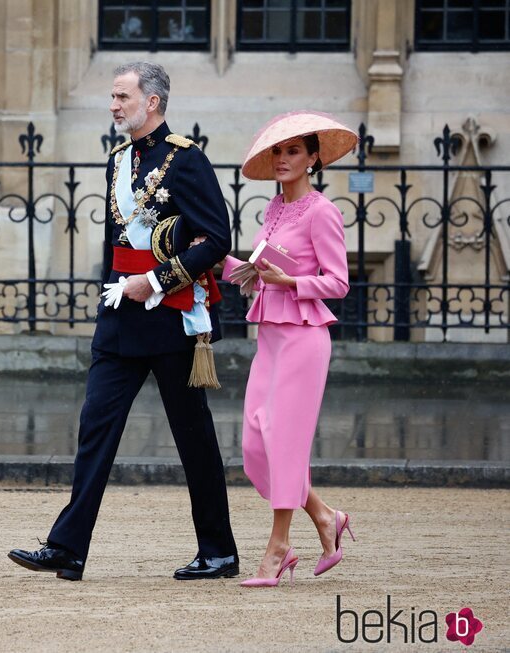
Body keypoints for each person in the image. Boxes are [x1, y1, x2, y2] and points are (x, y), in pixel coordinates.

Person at [8, 61, 239, 581]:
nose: (114, 105)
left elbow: (217, 240)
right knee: (95, 429)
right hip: (119, 318)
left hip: (171, 317)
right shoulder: (116, 160)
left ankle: (219, 550)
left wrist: (156, 281)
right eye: (113, 97)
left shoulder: (187, 161)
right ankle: (68, 547)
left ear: (151, 102)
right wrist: (122, 288)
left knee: (193, 437)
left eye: (121, 97)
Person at [222, 111, 358, 587]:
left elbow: (338, 282)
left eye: (293, 151)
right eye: (278, 152)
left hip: (304, 340)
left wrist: (291, 281)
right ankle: (325, 516)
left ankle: (279, 547)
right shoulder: (272, 210)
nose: (282, 159)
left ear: (313, 158)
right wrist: (219, 262)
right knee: (255, 443)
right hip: (270, 340)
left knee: (283, 443)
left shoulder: (323, 211)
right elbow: (261, 271)